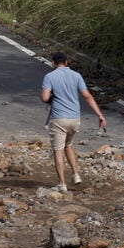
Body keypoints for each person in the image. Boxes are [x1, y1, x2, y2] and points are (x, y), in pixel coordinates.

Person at [40, 52, 107, 192]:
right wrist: (100, 115)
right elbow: (87, 96)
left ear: (53, 63)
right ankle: (75, 174)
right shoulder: (76, 76)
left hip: (59, 118)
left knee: (58, 151)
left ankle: (62, 184)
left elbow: (45, 97)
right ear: (66, 62)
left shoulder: (49, 77)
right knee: (68, 144)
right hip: (75, 119)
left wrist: (52, 97)